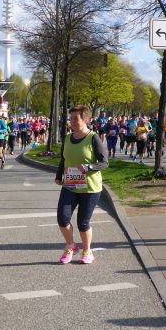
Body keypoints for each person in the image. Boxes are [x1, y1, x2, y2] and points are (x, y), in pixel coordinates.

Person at [54, 105, 109, 264]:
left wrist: (88, 167)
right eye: (71, 119)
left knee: (83, 222)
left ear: (86, 120)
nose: (72, 122)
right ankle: (71, 246)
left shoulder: (93, 137)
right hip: (70, 185)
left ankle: (87, 251)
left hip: (90, 187)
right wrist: (59, 175)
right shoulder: (67, 138)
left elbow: (104, 162)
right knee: (63, 219)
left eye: (76, 119)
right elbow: (64, 159)